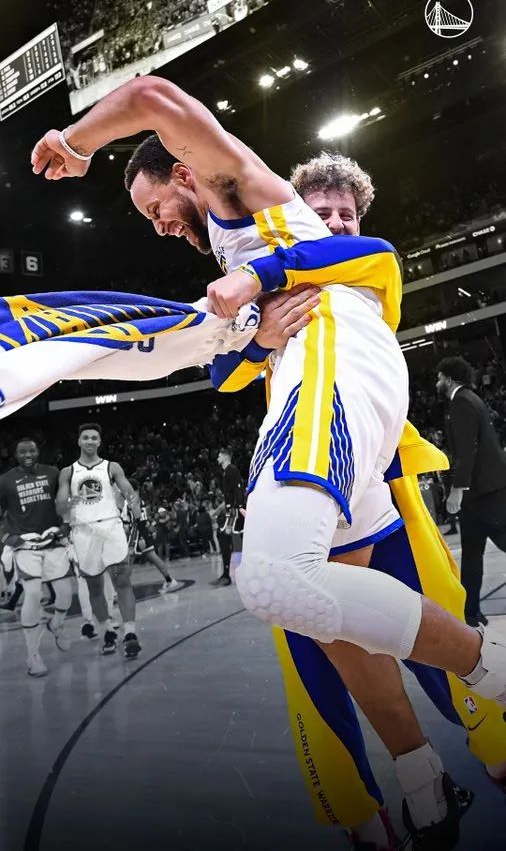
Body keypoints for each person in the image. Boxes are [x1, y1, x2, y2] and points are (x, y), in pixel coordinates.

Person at [31, 75, 506, 724]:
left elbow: (150, 97)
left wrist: (75, 142)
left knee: (272, 579)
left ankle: (489, 665)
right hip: (322, 373)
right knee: (328, 612)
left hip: (333, 362)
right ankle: (420, 771)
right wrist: (259, 341)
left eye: (156, 208)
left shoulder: (234, 189)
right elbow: (223, 374)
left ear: (184, 173)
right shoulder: (231, 247)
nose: (160, 227)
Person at [209, 153, 506, 847]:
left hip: (379, 477)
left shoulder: (367, 263)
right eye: (324, 214)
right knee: (320, 647)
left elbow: (342, 255)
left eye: (346, 213)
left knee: (432, 621)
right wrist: (260, 338)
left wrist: (259, 286)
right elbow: (222, 373)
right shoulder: (271, 282)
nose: (338, 222)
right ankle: (388, 799)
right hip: (306, 475)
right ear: (298, 218)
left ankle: (491, 741)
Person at [56, 423, 142, 659]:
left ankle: (130, 634)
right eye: (86, 437)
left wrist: (135, 506)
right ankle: (108, 632)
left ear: (100, 442)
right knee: (94, 587)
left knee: (122, 581)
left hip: (111, 526)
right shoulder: (68, 472)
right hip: (83, 531)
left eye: (94, 438)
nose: (90, 441)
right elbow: (60, 507)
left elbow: (129, 491)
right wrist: (69, 503)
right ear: (79, 441)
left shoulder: (111, 467)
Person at [438, 356, 506, 627]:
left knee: (490, 546)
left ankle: (471, 612)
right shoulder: (471, 399)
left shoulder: (461, 403)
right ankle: (471, 613)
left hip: (486, 493)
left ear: (449, 379)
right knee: (471, 555)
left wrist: (457, 489)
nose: (437, 382)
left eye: (440, 377)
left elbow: (468, 450)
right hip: (479, 495)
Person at [0, 438, 72, 677]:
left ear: (38, 451)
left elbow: (64, 503)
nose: (27, 454)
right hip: (24, 543)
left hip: (52, 540)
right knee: (32, 593)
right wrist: (5, 537)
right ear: (15, 454)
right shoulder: (5, 480)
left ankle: (57, 624)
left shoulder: (53, 473)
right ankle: (33, 655)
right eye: (22, 451)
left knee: (65, 594)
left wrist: (66, 525)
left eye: (31, 450)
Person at [121, 478, 183, 594]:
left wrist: (139, 537)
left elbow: (138, 521)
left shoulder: (132, 501)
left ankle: (123, 590)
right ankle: (170, 580)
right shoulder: (140, 500)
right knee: (154, 557)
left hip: (137, 534)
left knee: (128, 560)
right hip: (143, 532)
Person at [213, 447, 244, 586]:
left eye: (219, 455)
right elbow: (229, 495)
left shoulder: (232, 470)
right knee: (227, 537)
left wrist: (240, 507)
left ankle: (226, 575)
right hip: (232, 510)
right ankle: (226, 574)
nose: (217, 458)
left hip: (234, 511)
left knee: (224, 537)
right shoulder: (227, 472)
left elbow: (238, 490)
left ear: (225, 457)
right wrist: (218, 510)